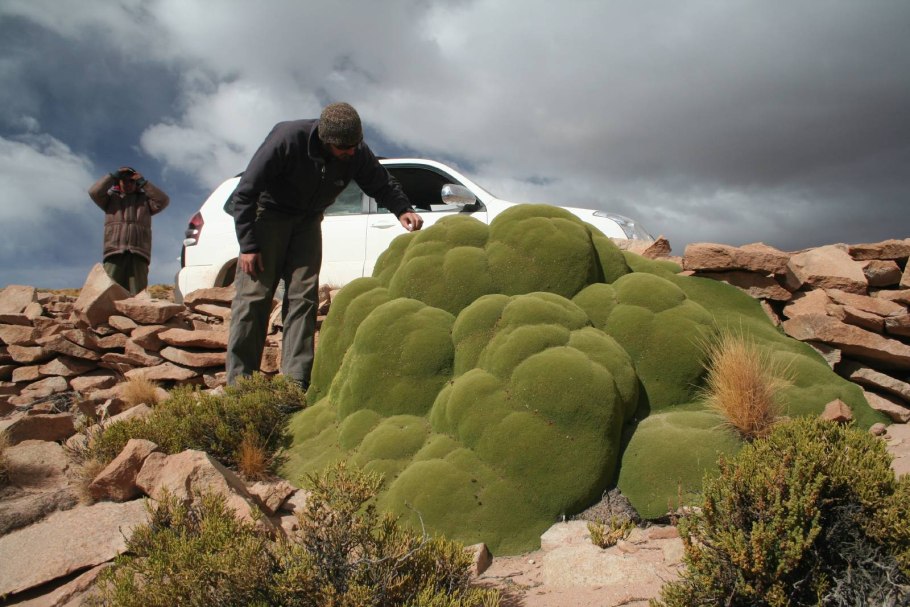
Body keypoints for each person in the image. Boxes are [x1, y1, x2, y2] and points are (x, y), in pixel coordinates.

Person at [226, 102, 424, 388]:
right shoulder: (286, 138)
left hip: (307, 222)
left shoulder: (355, 151)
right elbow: (244, 193)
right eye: (344, 148)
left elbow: (380, 182)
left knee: (303, 298)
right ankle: (240, 386)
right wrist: (248, 245)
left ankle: (294, 384)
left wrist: (402, 208)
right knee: (254, 298)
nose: (351, 152)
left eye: (355, 145)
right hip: (268, 217)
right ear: (325, 140)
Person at [88, 166, 170, 294]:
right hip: (114, 250)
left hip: (139, 252)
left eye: (131, 181)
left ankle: (137, 313)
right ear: (118, 182)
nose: (128, 184)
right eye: (124, 180)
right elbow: (94, 192)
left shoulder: (146, 201)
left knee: (138, 293)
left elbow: (163, 200)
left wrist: (144, 182)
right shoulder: (109, 199)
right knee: (109, 289)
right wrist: (113, 176)